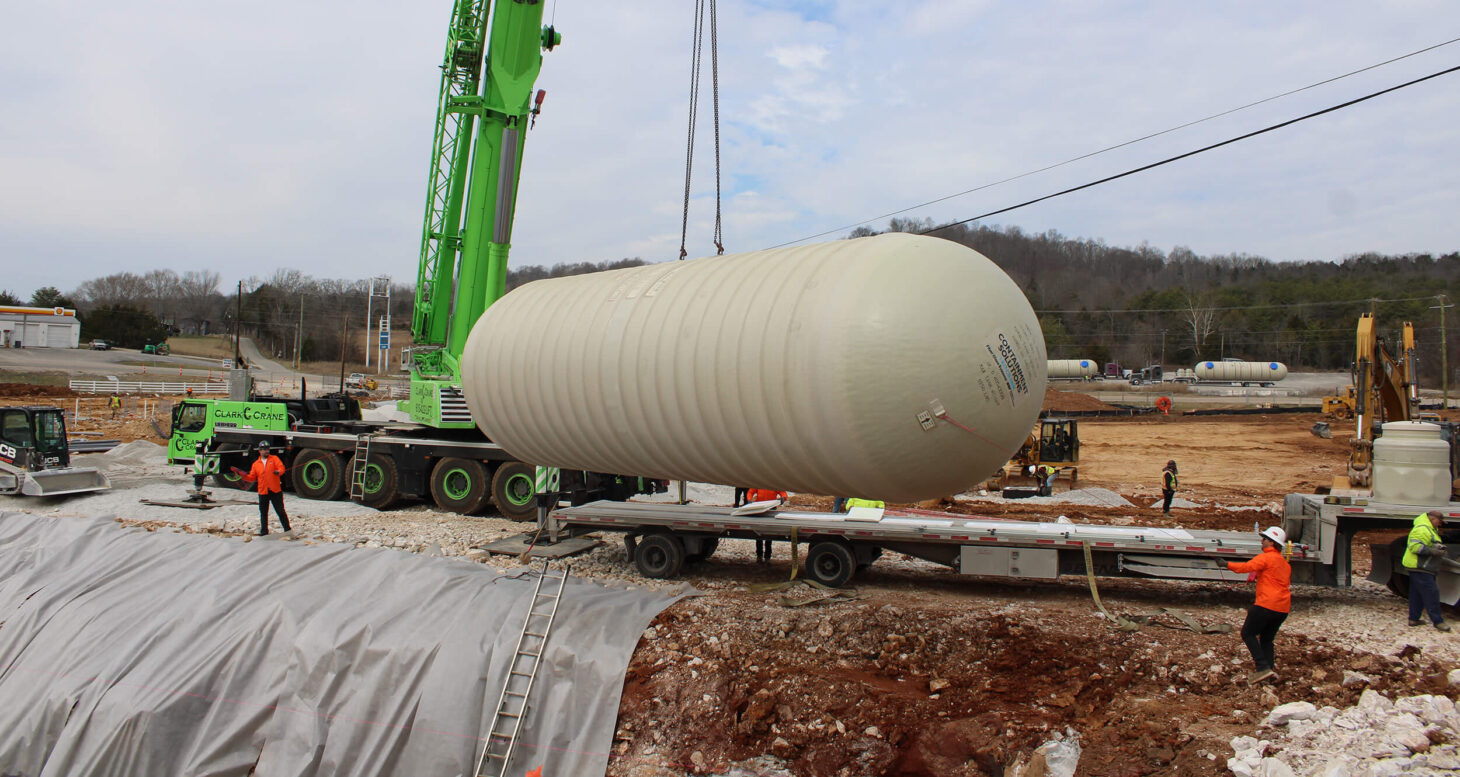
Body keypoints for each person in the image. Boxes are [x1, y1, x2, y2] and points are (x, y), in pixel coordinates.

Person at [1226, 526, 1291, 683]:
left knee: (1247, 633)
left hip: (1266, 604)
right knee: (1267, 639)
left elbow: (1246, 567)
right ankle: (1269, 672)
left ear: (1271, 542)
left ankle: (1262, 668)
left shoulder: (1266, 557)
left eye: (1264, 538)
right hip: (1282, 608)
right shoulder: (1284, 563)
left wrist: (1226, 564)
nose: (1261, 541)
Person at [1403, 511, 1452, 632]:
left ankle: (1413, 619)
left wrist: (1437, 547)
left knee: (1417, 594)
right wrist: (1433, 551)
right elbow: (1414, 547)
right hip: (1421, 567)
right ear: (1433, 519)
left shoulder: (1429, 529)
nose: (1440, 524)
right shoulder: (1422, 529)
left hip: (1420, 566)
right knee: (1432, 594)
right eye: (1439, 522)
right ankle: (1438, 622)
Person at [235, 441, 291, 536]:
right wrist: (243, 476)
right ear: (260, 451)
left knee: (280, 511)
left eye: (267, 449)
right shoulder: (256, 464)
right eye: (264, 449)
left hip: (275, 490)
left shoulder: (274, 459)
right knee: (263, 513)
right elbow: (252, 477)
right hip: (263, 491)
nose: (266, 451)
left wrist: (279, 472)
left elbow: (281, 468)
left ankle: (288, 530)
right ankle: (264, 532)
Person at [746, 488, 787, 562]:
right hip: (759, 509)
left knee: (769, 534)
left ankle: (767, 557)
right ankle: (759, 556)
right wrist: (749, 499)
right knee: (758, 534)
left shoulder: (772, 483)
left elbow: (783, 492)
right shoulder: (760, 482)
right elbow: (750, 492)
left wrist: (783, 498)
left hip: (771, 509)